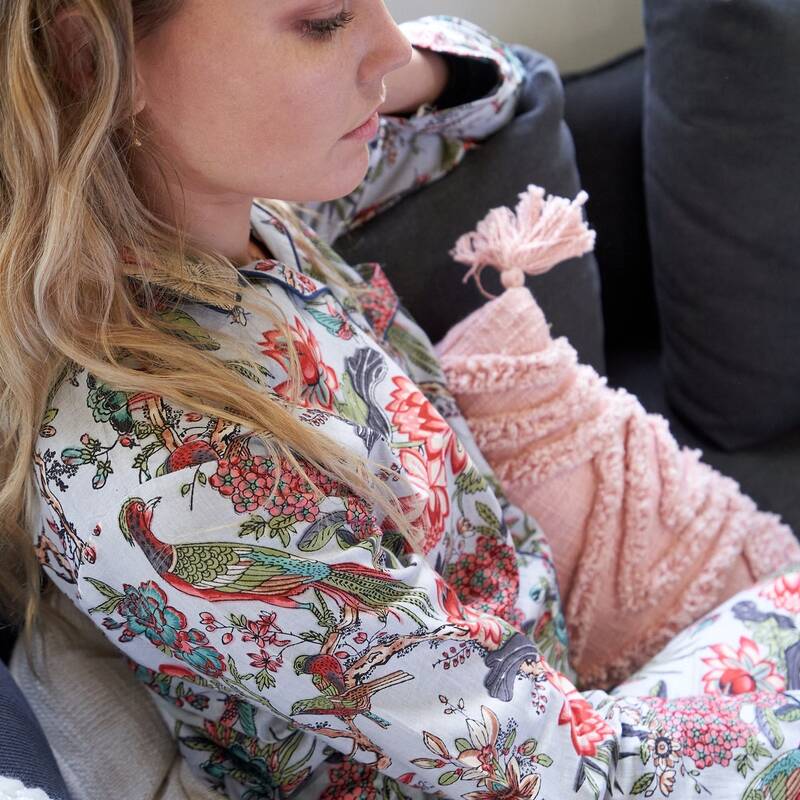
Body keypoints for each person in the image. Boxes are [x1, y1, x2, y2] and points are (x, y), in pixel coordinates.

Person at [1, 2, 798, 799]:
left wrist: (378, 59)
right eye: (324, 21)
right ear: (91, 58)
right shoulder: (165, 469)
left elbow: (497, 94)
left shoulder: (251, 215)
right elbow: (568, 775)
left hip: (555, 694)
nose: (390, 45)